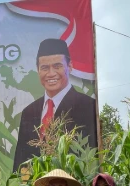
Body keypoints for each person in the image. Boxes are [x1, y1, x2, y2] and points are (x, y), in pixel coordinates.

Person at [13, 39, 97, 170]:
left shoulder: (88, 106)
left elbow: (92, 157)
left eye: (57, 66)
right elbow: (20, 162)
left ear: (69, 66)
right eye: (45, 68)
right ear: (38, 70)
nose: (51, 74)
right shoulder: (29, 112)